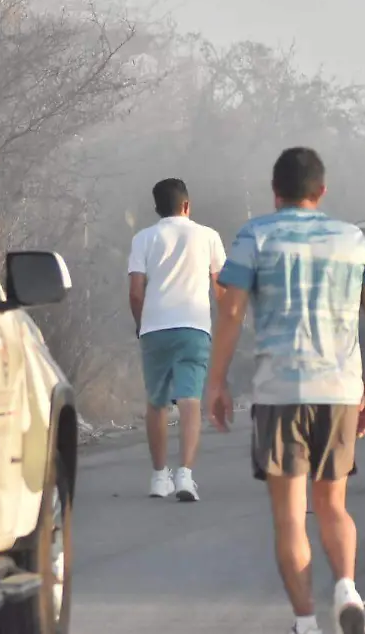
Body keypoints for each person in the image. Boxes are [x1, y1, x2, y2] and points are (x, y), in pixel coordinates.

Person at [204, 147, 365, 634]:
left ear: (276, 191)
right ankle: (347, 588)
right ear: (321, 191)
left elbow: (229, 310)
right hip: (339, 389)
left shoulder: (256, 236)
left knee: (291, 517)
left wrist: (217, 381)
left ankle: (306, 622)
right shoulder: (353, 240)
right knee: (333, 504)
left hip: (279, 389)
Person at [127, 177, 227, 502]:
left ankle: (159, 477)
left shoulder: (143, 239)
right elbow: (221, 287)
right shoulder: (208, 236)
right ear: (187, 205)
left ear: (157, 208)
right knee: (189, 400)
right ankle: (185, 474)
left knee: (156, 402)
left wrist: (141, 323)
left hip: (155, 326)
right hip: (194, 325)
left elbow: (135, 291)